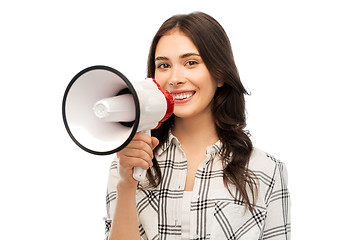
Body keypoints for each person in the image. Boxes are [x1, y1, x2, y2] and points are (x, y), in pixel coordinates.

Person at [104, 12, 291, 240]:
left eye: (191, 62)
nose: (175, 78)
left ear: (220, 73)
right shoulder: (129, 162)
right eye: (163, 65)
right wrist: (126, 184)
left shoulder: (267, 170)